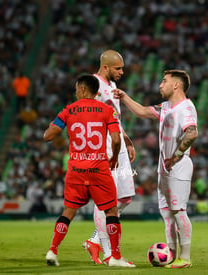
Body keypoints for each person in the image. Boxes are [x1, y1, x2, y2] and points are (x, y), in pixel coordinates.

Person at [43, 74, 135, 268]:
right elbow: (116, 140)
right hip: (99, 168)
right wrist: (116, 157)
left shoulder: (69, 110)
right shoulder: (107, 110)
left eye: (76, 88)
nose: (75, 92)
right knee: (111, 210)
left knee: (68, 211)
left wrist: (64, 125)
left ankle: (53, 250)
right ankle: (115, 257)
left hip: (76, 168)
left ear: (83, 89)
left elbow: (48, 136)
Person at [114, 69, 198, 269]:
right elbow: (142, 111)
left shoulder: (186, 107)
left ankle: (185, 258)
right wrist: (124, 97)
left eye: (164, 81)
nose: (160, 85)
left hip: (178, 167)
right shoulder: (166, 106)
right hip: (164, 168)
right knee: (167, 215)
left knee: (179, 211)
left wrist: (176, 156)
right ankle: (172, 255)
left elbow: (192, 133)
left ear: (176, 85)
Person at [83, 50, 136, 265]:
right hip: (103, 147)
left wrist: (127, 140)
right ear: (105, 67)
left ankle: (95, 241)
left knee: (124, 198)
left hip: (118, 144)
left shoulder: (112, 86)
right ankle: (110, 255)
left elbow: (115, 118)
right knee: (106, 200)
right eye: (118, 68)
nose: (122, 72)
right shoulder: (92, 85)